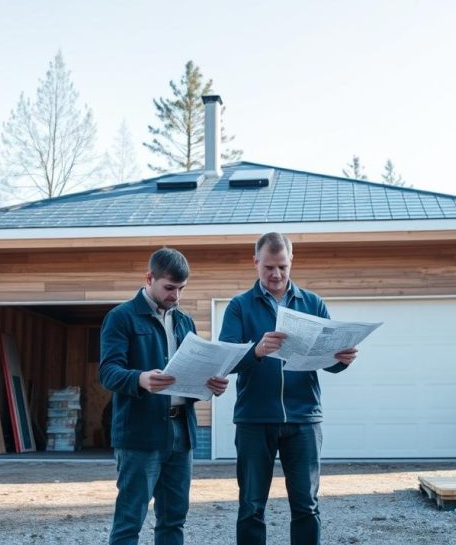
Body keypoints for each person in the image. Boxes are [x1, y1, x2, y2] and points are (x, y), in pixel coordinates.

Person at [219, 232, 359, 545]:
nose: (276, 274)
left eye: (282, 266)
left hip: (304, 420)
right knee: (251, 506)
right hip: (255, 420)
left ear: (291, 261)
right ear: (255, 262)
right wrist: (256, 350)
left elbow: (330, 364)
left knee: (307, 506)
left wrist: (343, 359)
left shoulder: (312, 303)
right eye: (269, 266)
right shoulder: (239, 306)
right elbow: (225, 359)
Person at [99, 247, 230, 545]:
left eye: (182, 289)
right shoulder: (120, 318)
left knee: (173, 521)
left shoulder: (185, 322)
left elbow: (186, 379)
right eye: (170, 288)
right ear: (149, 278)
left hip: (181, 435)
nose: (176, 296)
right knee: (129, 522)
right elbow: (108, 372)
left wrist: (209, 386)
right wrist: (141, 379)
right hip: (139, 434)